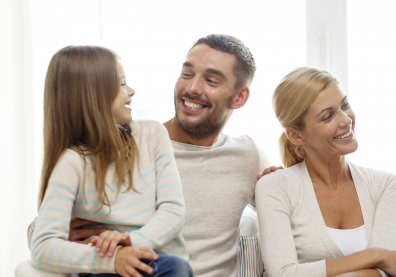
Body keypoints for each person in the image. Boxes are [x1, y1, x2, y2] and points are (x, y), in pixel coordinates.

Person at [29, 34, 273, 277]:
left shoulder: (248, 155)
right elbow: (42, 235)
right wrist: (72, 237)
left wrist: (280, 182)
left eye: (211, 80)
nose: (192, 88)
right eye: (187, 74)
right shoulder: (132, 145)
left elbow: (288, 209)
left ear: (239, 97)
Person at [30, 46, 192, 277]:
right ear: (92, 96)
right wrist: (113, 260)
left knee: (176, 267)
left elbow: (173, 210)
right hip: (104, 268)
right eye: (122, 83)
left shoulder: (152, 135)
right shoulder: (72, 163)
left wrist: (131, 243)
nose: (131, 91)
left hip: (157, 262)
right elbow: (43, 246)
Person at [255, 67, 396, 277]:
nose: (346, 120)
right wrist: (376, 255)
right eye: (328, 116)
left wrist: (380, 261)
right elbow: (283, 273)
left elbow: (389, 271)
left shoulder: (384, 184)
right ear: (296, 136)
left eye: (344, 105)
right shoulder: (275, 186)